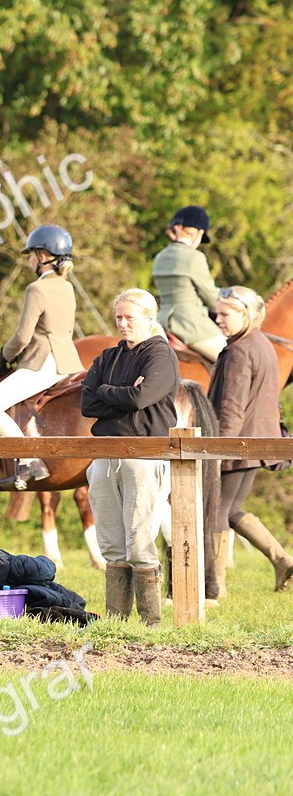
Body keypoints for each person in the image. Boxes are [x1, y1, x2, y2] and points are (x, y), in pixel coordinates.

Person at [81, 289, 180, 628]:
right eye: (119, 317)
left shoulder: (160, 355)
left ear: (149, 318)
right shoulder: (106, 357)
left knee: (139, 539)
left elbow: (142, 397)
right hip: (105, 452)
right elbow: (87, 405)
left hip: (144, 453)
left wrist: (107, 391)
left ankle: (150, 622)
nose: (122, 324)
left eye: (130, 318)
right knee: (110, 540)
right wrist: (117, 394)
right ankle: (116, 623)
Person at [0, 224, 83, 489]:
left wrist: (4, 355)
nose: (28, 259)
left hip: (43, 361)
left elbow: (23, 336)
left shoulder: (36, 289)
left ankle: (28, 459)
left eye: (31, 254)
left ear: (43, 255)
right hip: (68, 361)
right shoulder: (67, 287)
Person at [207, 286, 293, 593]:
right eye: (218, 313)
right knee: (231, 510)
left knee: (217, 511)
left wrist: (218, 452)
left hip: (239, 443)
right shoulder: (261, 343)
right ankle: (282, 560)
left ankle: (214, 589)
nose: (218, 319)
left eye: (225, 314)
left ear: (246, 315)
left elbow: (231, 407)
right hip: (256, 442)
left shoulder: (240, 351)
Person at [152, 205, 226, 362]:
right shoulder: (194, 257)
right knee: (232, 359)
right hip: (191, 326)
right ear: (198, 233)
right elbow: (211, 298)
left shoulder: (160, 257)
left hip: (161, 324)